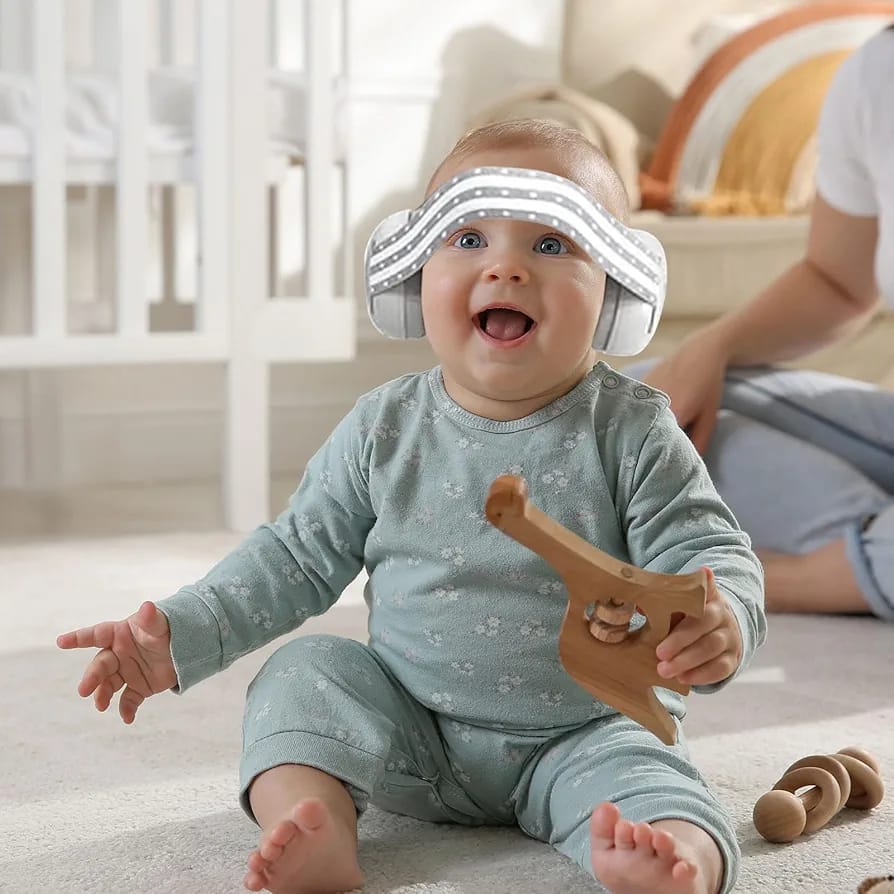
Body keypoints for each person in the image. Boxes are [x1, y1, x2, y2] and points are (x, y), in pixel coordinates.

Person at [56, 120, 765, 894]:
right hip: (410, 729)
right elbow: (294, 557)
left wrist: (718, 616)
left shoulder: (634, 431)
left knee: (653, 777)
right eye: (468, 238)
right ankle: (312, 820)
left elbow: (708, 549)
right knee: (302, 676)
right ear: (415, 274)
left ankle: (671, 859)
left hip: (589, 732)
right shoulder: (382, 428)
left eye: (552, 244)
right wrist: (181, 634)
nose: (506, 268)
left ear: (614, 295)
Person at [636, 25, 894, 621]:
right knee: (645, 407)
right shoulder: (876, 75)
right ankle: (867, 545)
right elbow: (838, 280)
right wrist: (713, 348)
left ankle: (740, 579)